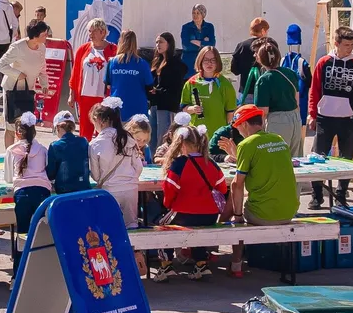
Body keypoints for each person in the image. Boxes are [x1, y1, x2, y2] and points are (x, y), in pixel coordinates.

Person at [218, 104, 299, 277]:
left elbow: (237, 184)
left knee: (235, 207)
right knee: (239, 197)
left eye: (238, 127)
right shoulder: (278, 139)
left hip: (264, 215)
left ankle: (235, 264)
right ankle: (214, 242)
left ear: (245, 125)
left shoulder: (247, 144)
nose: (238, 132)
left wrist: (238, 215)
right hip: (289, 211)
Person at [156, 123, 229, 280]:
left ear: (181, 143)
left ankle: (165, 265)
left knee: (161, 226)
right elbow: (222, 189)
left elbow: (169, 190)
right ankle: (201, 264)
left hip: (184, 213)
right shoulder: (212, 163)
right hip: (210, 215)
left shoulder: (179, 164)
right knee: (199, 229)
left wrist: (169, 205)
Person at [307, 26, 353, 210]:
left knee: (346, 159)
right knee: (318, 158)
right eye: (346, 45)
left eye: (352, 45)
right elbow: (315, 89)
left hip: (348, 119)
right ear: (336, 43)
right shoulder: (324, 62)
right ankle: (316, 196)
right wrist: (312, 114)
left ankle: (341, 195)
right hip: (324, 117)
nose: (350, 49)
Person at [4, 112, 50, 275]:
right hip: (42, 194)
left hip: (22, 194)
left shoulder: (11, 150)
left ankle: (18, 274)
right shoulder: (43, 150)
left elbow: (8, 178)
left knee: (22, 233)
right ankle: (41, 271)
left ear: (17, 133)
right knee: (42, 233)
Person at [88, 98, 143, 227]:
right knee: (132, 225)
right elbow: (138, 167)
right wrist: (131, 179)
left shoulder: (95, 144)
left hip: (110, 190)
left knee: (110, 226)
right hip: (131, 189)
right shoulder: (128, 138)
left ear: (100, 120)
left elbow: (96, 176)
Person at [0, 20, 50, 147]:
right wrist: (17, 74)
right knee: (11, 125)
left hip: (28, 91)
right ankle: (9, 154)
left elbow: (42, 68)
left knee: (26, 124)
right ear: (35, 36)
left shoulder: (42, 47)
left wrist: (44, 84)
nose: (46, 37)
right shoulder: (17, 47)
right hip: (12, 90)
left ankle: (24, 152)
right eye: (44, 34)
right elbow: (0, 65)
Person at [252, 39, 303, 156]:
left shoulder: (264, 80)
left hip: (277, 120)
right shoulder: (290, 73)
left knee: (276, 157)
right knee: (295, 158)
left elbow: (263, 111)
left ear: (260, 59)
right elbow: (296, 99)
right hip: (295, 117)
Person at [69, 17, 115, 141]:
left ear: (103, 32)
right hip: (85, 96)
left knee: (104, 129)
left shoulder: (114, 50)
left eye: (94, 31)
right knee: (85, 132)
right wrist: (71, 94)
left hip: (104, 97)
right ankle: (85, 156)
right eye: (89, 31)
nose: (91, 34)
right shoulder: (82, 50)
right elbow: (75, 73)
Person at [181, 46, 237, 141]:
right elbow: (184, 108)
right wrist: (192, 109)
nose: (209, 63)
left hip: (217, 135)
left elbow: (230, 112)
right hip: (196, 135)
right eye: (206, 60)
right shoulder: (191, 83)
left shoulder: (224, 84)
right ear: (200, 61)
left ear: (218, 62)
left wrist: (226, 132)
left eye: (213, 60)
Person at [104, 30, 153, 123]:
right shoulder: (142, 63)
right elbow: (149, 85)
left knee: (117, 136)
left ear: (120, 42)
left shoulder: (112, 62)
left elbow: (108, 84)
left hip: (117, 108)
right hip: (138, 108)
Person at [148, 31, 188, 146]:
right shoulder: (157, 61)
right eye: (156, 42)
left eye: (161, 42)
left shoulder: (176, 64)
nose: (157, 45)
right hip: (154, 103)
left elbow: (175, 87)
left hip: (167, 105)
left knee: (163, 137)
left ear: (169, 44)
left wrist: (158, 91)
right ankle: (153, 160)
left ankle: (162, 159)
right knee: (151, 137)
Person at [46, 110, 90, 194]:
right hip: (83, 188)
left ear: (58, 128)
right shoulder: (83, 141)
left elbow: (50, 174)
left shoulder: (55, 146)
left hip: (64, 190)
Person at [281, 24, 312, 126]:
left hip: (285, 102)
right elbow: (309, 82)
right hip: (300, 102)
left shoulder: (282, 61)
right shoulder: (301, 63)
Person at [231, 17, 271, 89]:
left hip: (246, 89)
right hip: (266, 89)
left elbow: (234, 70)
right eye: (267, 31)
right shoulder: (269, 45)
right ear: (263, 31)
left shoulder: (241, 46)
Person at [179, 4, 216, 75]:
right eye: (193, 13)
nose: (195, 15)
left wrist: (197, 42)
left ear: (203, 14)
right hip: (189, 64)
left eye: (198, 13)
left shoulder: (209, 27)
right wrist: (204, 43)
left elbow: (212, 45)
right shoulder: (186, 27)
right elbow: (186, 46)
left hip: (203, 62)